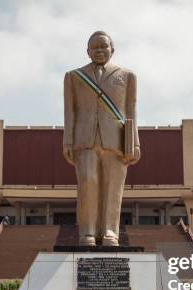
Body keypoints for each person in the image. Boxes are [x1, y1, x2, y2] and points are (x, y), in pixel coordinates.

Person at [63, 31, 140, 246]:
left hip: (116, 140)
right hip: (84, 139)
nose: (99, 51)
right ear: (87, 51)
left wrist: (134, 142)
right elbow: (70, 111)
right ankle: (87, 232)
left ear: (112, 50)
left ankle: (110, 232)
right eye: (94, 47)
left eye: (103, 47)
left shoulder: (127, 76)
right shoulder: (74, 76)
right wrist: (67, 140)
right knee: (88, 183)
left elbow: (131, 110)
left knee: (113, 186)